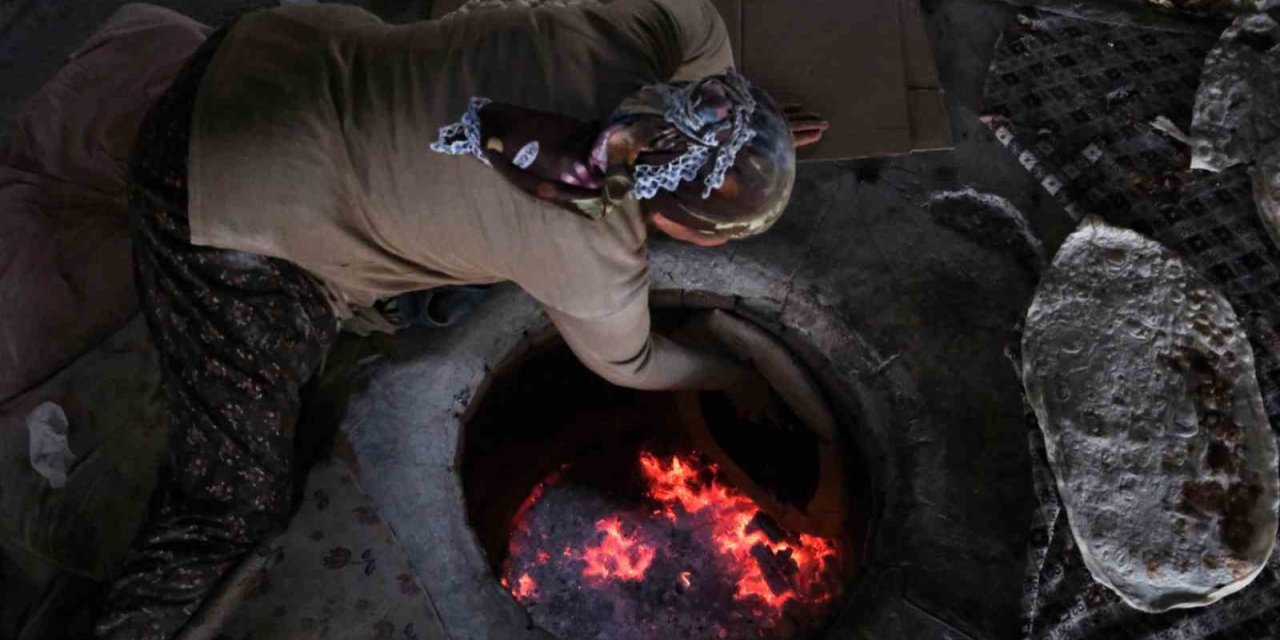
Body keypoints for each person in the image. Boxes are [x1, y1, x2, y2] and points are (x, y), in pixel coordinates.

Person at [93, 0, 826, 637]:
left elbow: (708, 70)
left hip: (266, 58)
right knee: (233, 509)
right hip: (216, 190)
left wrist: (746, 140)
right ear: (676, 220)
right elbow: (632, 364)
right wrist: (732, 374)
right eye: (717, 230)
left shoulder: (660, 22)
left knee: (460, 277)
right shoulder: (590, 245)